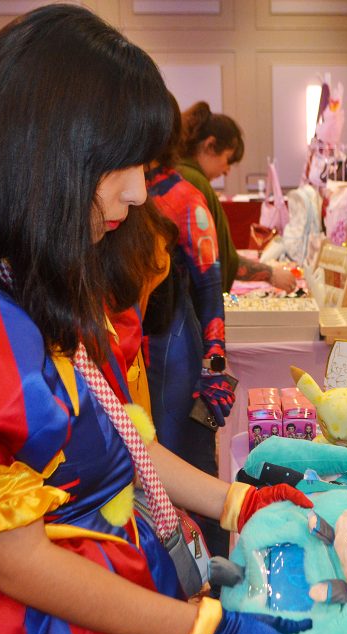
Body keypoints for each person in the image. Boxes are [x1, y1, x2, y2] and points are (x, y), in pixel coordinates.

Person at [0, 7, 315, 634]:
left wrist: (237, 500)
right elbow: (16, 562)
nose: (139, 192)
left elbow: (115, 443)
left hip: (92, 601)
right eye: (125, 165)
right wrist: (204, 632)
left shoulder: (23, 276)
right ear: (48, 152)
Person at [145, 96, 233, 557]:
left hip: (172, 348)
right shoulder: (121, 192)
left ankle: (210, 578)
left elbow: (209, 287)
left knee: (185, 462)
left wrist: (214, 364)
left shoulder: (185, 197)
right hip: (129, 348)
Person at [176, 104, 297, 293]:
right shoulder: (195, 183)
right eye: (228, 159)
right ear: (210, 145)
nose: (227, 170)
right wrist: (270, 274)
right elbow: (220, 258)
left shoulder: (183, 175)